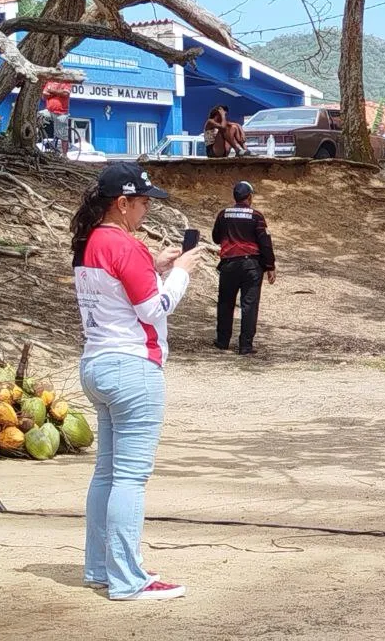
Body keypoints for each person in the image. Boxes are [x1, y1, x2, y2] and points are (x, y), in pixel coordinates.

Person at [70, 161, 201, 601]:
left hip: (97, 362)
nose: (147, 209)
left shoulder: (93, 242)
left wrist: (155, 263)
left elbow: (125, 291)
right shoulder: (125, 246)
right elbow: (154, 309)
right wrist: (180, 272)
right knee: (129, 477)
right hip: (132, 367)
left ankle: (100, 567)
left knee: (107, 473)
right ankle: (127, 577)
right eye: (143, 202)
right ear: (122, 204)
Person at [211, 180, 276, 355]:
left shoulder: (223, 214)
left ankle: (222, 341)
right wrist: (270, 265)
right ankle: (245, 346)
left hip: (229, 264)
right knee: (249, 305)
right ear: (249, 197)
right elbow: (265, 242)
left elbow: (216, 238)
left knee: (225, 303)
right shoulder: (256, 216)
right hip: (251, 266)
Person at [41, 80, 73, 151]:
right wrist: (57, 92)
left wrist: (52, 91)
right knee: (38, 116)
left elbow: (65, 93)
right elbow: (44, 96)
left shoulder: (66, 82)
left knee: (63, 135)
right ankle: (36, 136)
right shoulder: (49, 82)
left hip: (61, 112)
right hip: (49, 111)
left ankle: (64, 155)